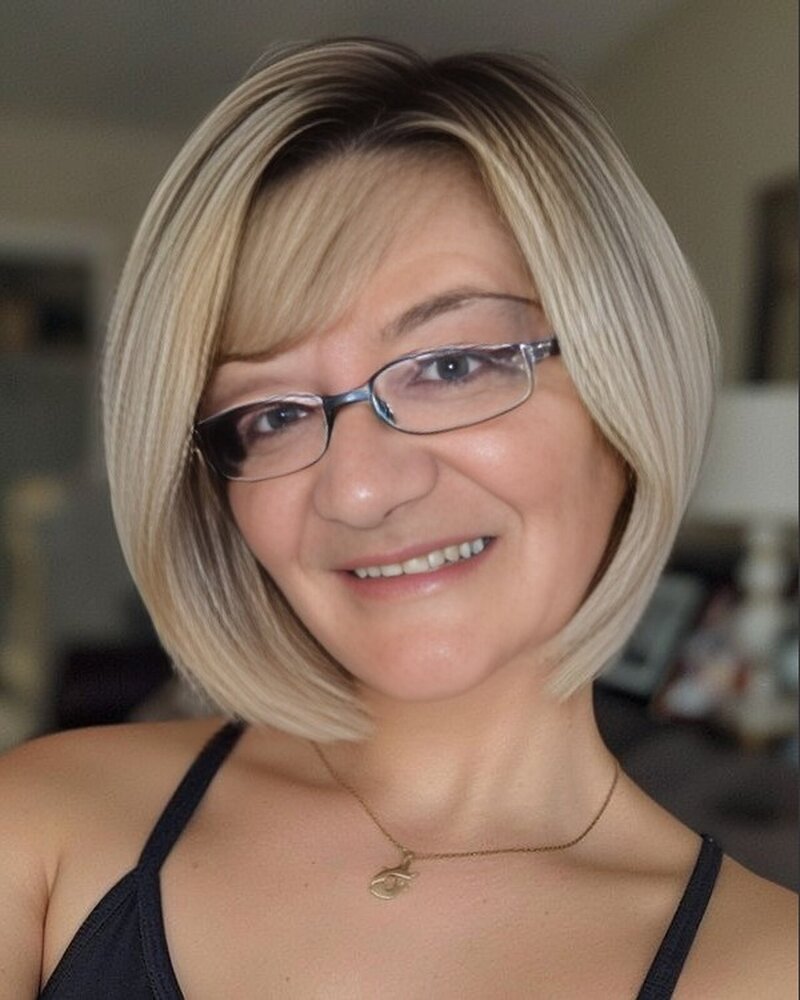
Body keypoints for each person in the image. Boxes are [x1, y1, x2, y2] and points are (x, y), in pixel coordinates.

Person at [1, 38, 795, 1000]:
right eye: (273, 415)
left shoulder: (768, 965)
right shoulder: (43, 829)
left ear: (621, 387)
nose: (360, 491)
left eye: (450, 366)